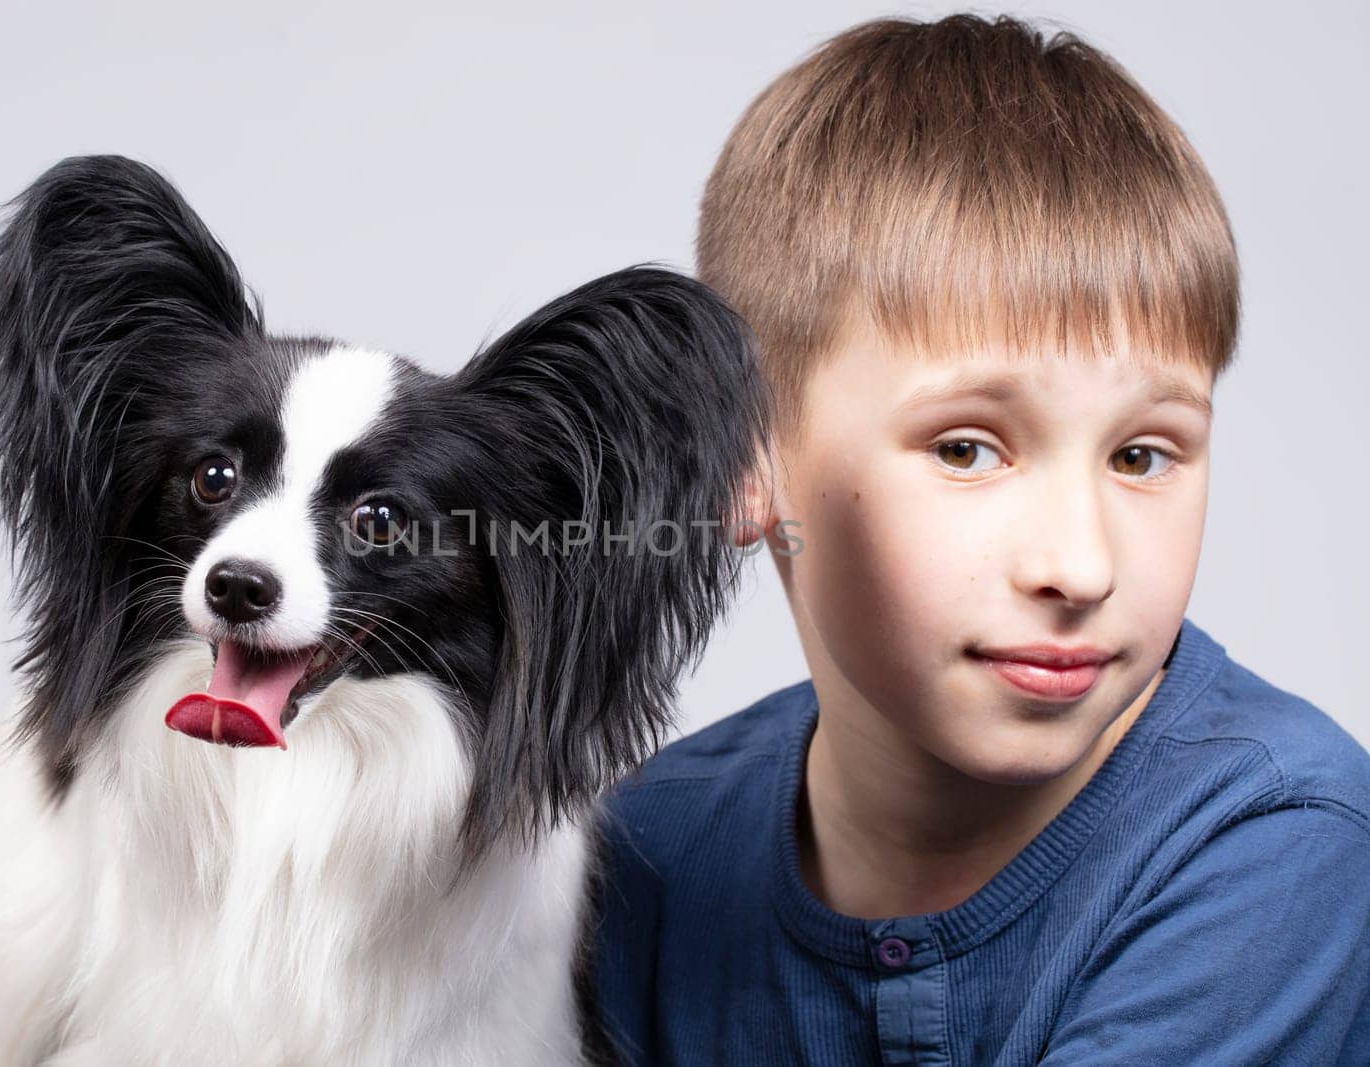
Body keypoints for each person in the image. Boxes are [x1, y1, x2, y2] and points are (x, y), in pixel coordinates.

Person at [587, 13, 1370, 1065]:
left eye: (1141, 455)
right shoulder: (642, 853)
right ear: (742, 458)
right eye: (966, 448)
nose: (1079, 565)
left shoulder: (1277, 835)